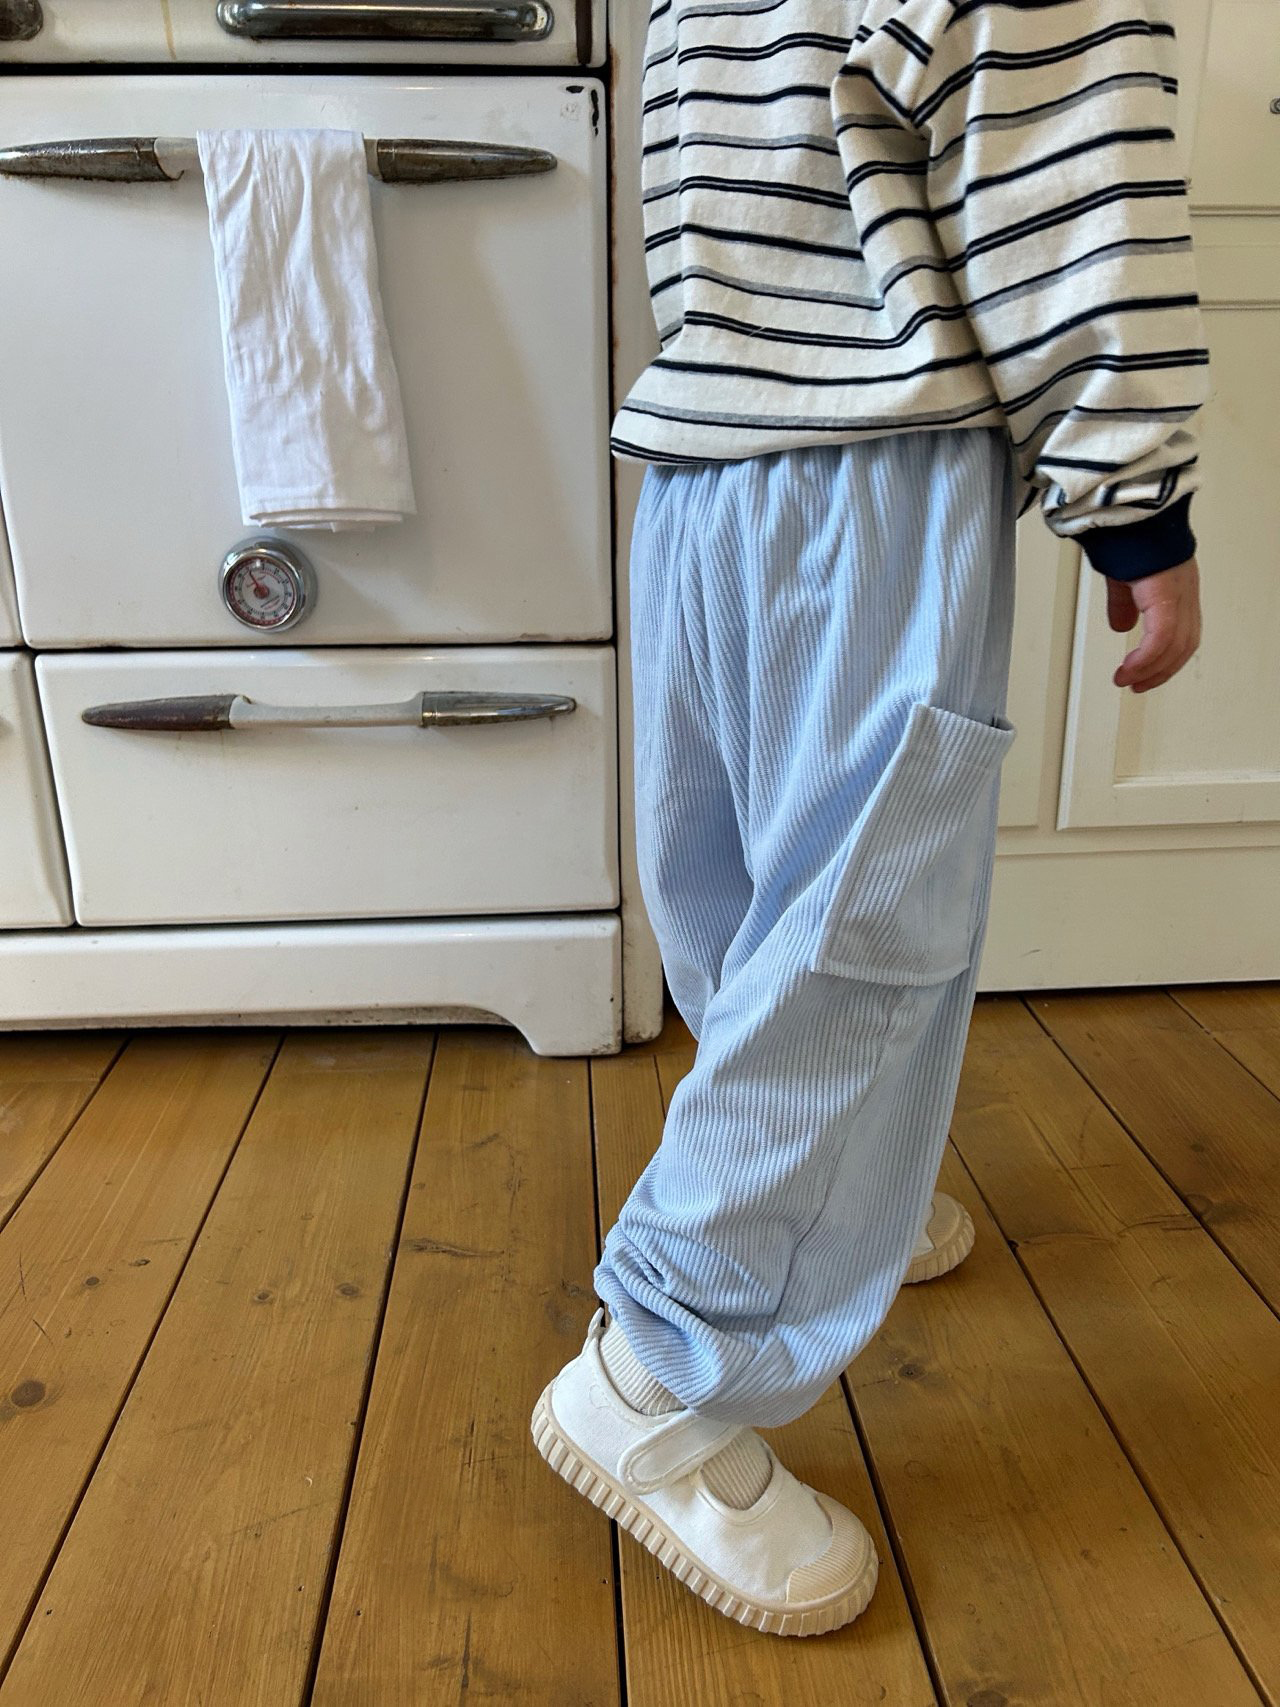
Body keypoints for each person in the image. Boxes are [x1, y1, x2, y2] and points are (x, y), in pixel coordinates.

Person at [531, 0, 1209, 1638]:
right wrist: (1135, 502)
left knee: (753, 891)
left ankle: (832, 1195)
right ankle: (663, 1367)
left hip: (700, 474)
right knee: (862, 930)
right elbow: (1066, 178)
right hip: (873, 472)